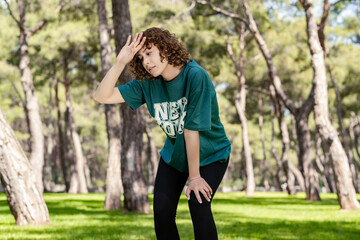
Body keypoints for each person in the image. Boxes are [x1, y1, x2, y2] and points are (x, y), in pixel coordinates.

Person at [93, 27, 231, 240]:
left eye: (149, 53)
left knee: (198, 203)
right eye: (141, 57)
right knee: (162, 212)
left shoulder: (196, 76)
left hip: (211, 154)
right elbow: (102, 96)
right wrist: (120, 63)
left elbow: (191, 130)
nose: (146, 62)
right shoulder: (147, 83)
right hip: (175, 155)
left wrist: (194, 178)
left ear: (165, 49)